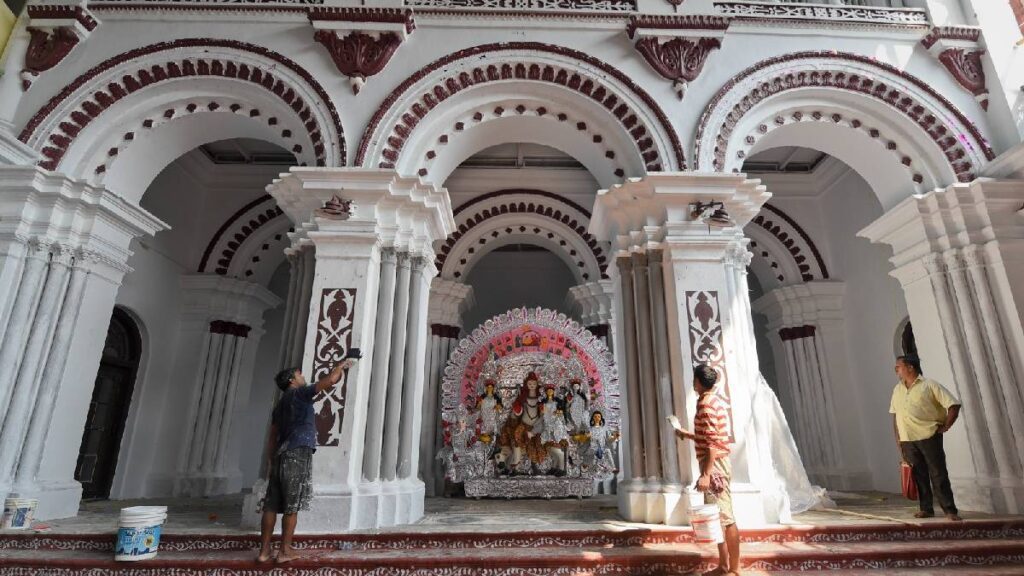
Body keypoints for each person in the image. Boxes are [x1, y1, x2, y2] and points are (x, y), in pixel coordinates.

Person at [257, 358, 355, 564]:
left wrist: (270, 462)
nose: (303, 378)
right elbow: (328, 382)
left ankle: (264, 551)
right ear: (293, 380)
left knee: (271, 505)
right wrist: (340, 366)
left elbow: (272, 437)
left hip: (280, 455)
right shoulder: (299, 394)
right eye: (300, 375)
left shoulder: (280, 404)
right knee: (292, 504)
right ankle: (284, 550)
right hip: (297, 452)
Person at [668, 364, 740, 576]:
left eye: (694, 379)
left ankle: (734, 570)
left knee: (726, 518)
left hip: (714, 465)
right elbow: (708, 436)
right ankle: (724, 565)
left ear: (698, 382)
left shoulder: (706, 405)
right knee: (718, 517)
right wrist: (687, 434)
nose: (693, 383)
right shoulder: (710, 402)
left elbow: (711, 444)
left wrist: (706, 474)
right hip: (714, 462)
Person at [890, 354, 962, 521]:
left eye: (898, 367)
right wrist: (899, 439)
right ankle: (926, 509)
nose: (896, 370)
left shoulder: (929, 385)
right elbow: (896, 416)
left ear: (910, 367)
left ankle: (950, 510)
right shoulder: (897, 389)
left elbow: (953, 404)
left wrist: (946, 426)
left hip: (928, 435)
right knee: (919, 475)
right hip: (908, 439)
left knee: (937, 473)